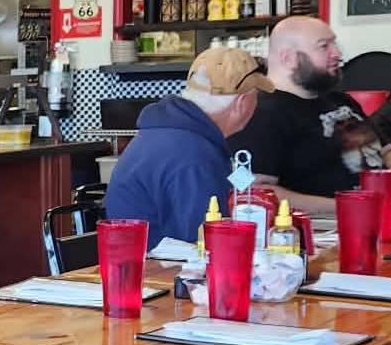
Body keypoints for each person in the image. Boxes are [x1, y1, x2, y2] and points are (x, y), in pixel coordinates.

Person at [105, 46, 269, 244]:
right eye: (257, 97)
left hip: (141, 258)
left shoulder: (174, 134)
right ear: (242, 103)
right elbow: (206, 242)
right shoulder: (195, 156)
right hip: (157, 263)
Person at [223, 16, 382, 215]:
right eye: (324, 46)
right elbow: (252, 193)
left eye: (334, 44)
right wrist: (352, 207)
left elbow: (386, 149)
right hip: (321, 228)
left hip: (381, 215)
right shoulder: (257, 114)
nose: (337, 53)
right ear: (288, 58)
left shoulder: (340, 100)